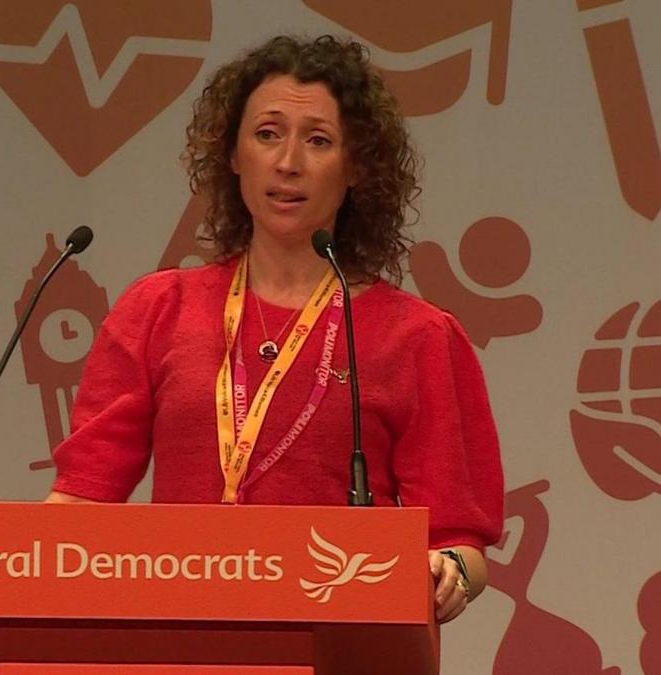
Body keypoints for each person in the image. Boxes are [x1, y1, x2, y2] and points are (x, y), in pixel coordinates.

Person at [46, 35, 503, 624]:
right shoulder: (158, 309)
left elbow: (459, 543)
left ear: (357, 166)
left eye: (318, 140)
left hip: (339, 641)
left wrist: (450, 573)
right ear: (233, 153)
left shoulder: (416, 336)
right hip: (176, 639)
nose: (288, 162)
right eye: (267, 134)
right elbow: (82, 500)